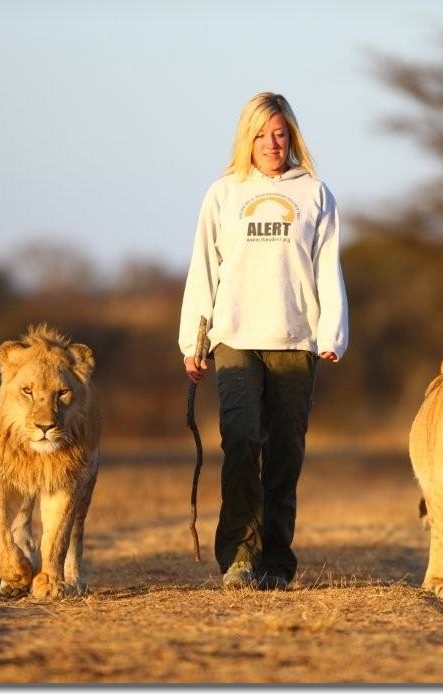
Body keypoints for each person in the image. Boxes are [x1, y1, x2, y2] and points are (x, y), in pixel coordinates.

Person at [178, 91, 349, 591]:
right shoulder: (223, 194)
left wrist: (332, 332)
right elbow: (203, 269)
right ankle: (239, 558)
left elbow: (327, 267)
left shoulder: (315, 193)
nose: (272, 144)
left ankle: (275, 561)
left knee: (285, 452)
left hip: (296, 339)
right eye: (260, 135)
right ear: (246, 139)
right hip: (234, 336)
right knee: (240, 439)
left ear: (292, 136)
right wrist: (193, 340)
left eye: (279, 134)